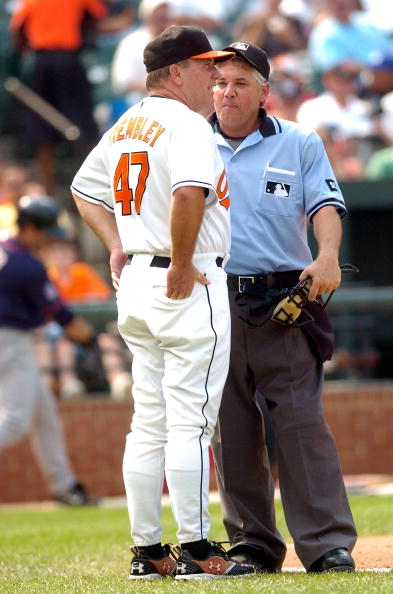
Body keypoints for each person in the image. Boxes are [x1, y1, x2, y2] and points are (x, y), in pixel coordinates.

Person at [70, 25, 255, 580]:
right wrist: (178, 261)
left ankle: (148, 553)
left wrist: (118, 247)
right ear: (176, 72)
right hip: (185, 281)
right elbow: (187, 193)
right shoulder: (187, 124)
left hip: (139, 287)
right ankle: (198, 550)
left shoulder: (126, 123)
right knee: (191, 425)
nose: (214, 75)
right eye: (205, 66)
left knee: (148, 424)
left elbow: (84, 190)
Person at [209, 42, 357, 573]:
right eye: (220, 82)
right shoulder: (189, 142)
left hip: (282, 300)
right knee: (230, 429)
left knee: (300, 424)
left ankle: (326, 543)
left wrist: (329, 255)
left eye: (239, 83)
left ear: (264, 91)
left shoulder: (299, 141)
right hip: (212, 300)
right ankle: (252, 543)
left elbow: (325, 204)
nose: (227, 91)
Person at [0, 195, 97, 505]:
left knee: (44, 414)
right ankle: (64, 486)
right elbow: (63, 316)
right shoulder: (25, 264)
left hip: (13, 339)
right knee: (15, 421)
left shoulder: (6, 249)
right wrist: (89, 339)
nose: (48, 240)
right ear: (28, 228)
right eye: (44, 232)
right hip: (9, 339)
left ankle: (64, 486)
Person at [8, 0, 133, 194]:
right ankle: (97, 186)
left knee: (43, 130)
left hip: (41, 63)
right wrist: (124, 20)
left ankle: (48, 189)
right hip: (68, 62)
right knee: (84, 126)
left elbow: (16, 31)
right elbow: (98, 22)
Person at [111, 0, 174, 111]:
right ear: (147, 16)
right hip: (140, 105)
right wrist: (160, 83)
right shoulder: (131, 42)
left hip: (175, 103)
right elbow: (123, 81)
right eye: (157, 12)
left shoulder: (178, 40)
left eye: (165, 12)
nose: (162, 15)